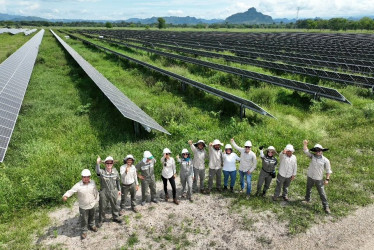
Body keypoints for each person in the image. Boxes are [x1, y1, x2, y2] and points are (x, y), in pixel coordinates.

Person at [62, 169, 99, 240]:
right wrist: (65, 196)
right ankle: (84, 231)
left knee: (92, 216)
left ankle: (92, 225)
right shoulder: (78, 185)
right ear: (82, 177)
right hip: (83, 206)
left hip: (92, 204)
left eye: (88, 177)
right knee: (84, 219)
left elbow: (96, 191)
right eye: (84, 177)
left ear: (90, 177)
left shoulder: (92, 182)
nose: (86, 179)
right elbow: (71, 191)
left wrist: (97, 199)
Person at [302, 140, 332, 214]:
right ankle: (307, 199)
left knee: (322, 193)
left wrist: (327, 179)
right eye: (316, 150)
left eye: (319, 150)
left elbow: (328, 171)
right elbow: (306, 151)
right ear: (315, 151)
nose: (318, 151)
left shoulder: (326, 160)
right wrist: (305, 144)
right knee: (308, 188)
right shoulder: (312, 156)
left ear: (322, 151)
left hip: (319, 178)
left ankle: (326, 206)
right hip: (310, 176)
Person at [96, 156, 122, 226]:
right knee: (102, 206)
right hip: (104, 192)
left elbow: (118, 181)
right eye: (107, 162)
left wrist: (119, 190)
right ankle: (101, 220)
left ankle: (115, 217)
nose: (109, 164)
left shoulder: (115, 171)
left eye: (111, 162)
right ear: (105, 163)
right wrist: (98, 163)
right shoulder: (102, 172)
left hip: (114, 191)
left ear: (112, 163)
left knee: (115, 205)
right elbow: (97, 171)